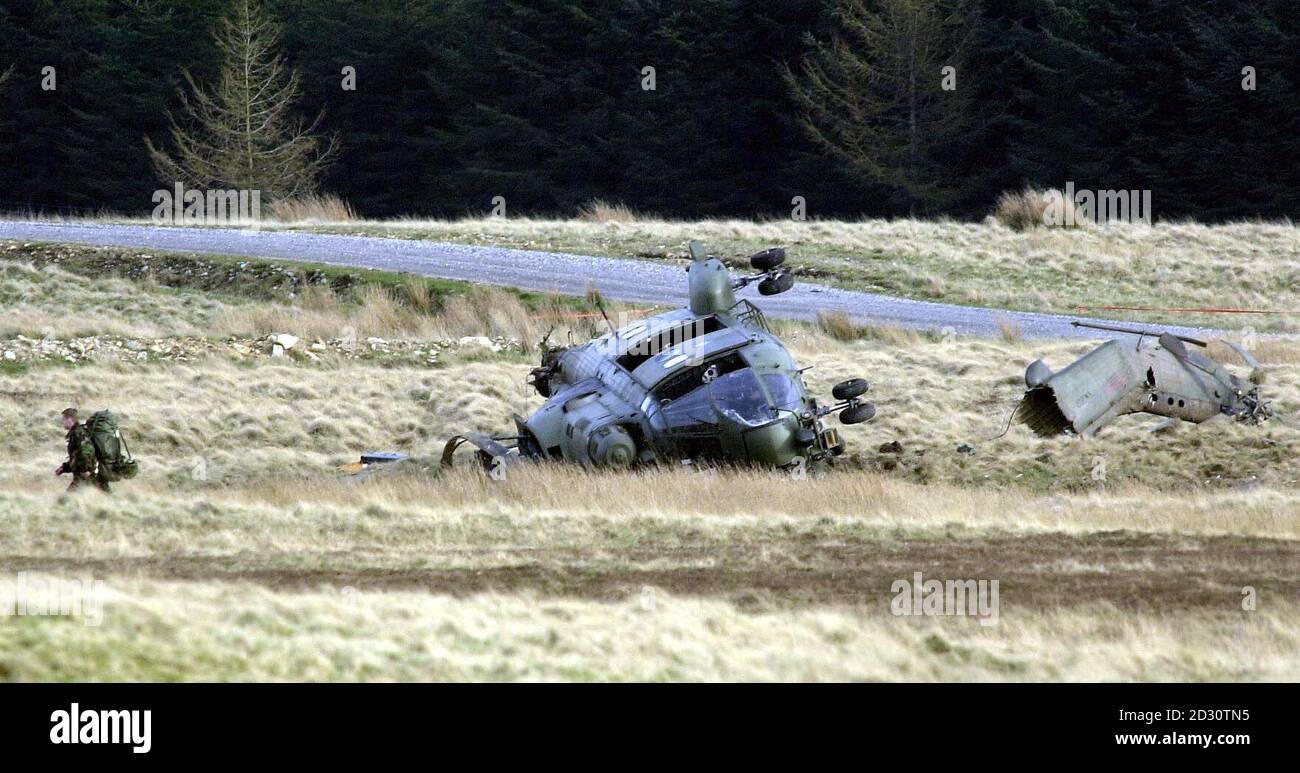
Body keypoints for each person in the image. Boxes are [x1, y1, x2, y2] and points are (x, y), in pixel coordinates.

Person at [55, 408, 110, 492]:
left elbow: (86, 452)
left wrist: (86, 470)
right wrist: (64, 468)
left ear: (70, 419)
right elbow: (76, 457)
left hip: (84, 474)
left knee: (70, 497)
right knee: (102, 494)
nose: (62, 422)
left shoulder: (78, 433)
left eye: (64, 419)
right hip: (86, 473)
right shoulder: (76, 433)